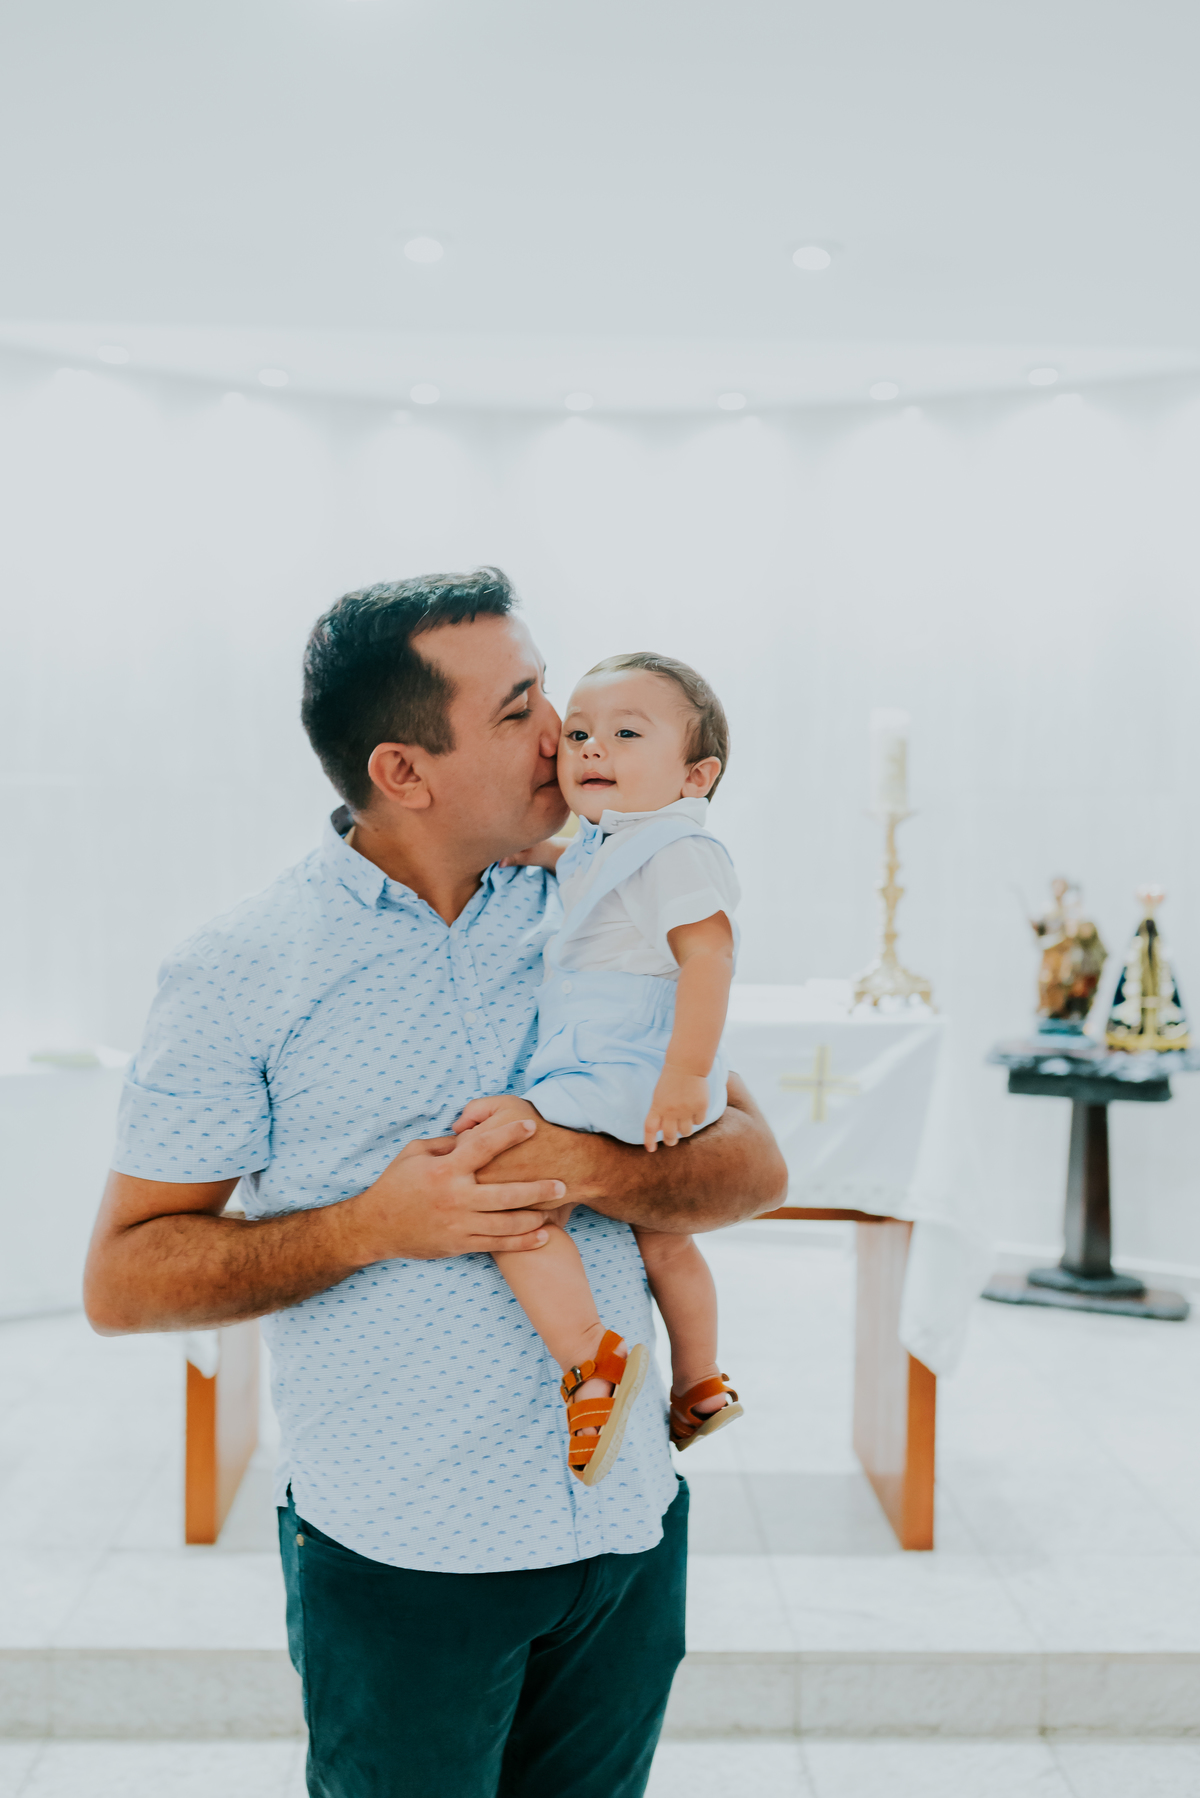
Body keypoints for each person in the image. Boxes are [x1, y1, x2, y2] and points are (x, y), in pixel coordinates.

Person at [83, 567, 787, 1798]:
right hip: (409, 1556)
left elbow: (754, 1165)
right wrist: (371, 1225)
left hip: (625, 1533)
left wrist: (584, 1163)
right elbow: (126, 1278)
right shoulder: (242, 967)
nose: (563, 723)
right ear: (404, 770)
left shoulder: (606, 894)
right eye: (520, 707)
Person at [455, 652, 743, 1489]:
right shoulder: (608, 845)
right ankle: (700, 1381)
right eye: (577, 733)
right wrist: (543, 857)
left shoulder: (680, 849)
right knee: (664, 1236)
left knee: (501, 1175)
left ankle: (591, 1359)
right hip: (625, 1064)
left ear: (695, 775)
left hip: (625, 1063)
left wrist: (686, 1075)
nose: (588, 748)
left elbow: (710, 958)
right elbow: (590, 882)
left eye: (623, 733)